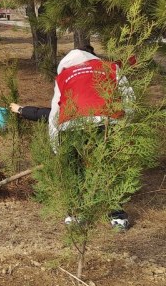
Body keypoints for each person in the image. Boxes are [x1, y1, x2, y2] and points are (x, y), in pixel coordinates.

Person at [12, 45, 133, 230]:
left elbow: (54, 114)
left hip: (72, 125)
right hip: (106, 122)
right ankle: (117, 217)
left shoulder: (64, 77)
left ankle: (76, 214)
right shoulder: (111, 68)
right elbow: (129, 98)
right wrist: (125, 124)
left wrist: (57, 148)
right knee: (109, 166)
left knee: (75, 168)